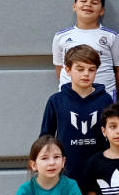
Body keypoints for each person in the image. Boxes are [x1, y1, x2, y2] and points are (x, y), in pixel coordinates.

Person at [41, 45, 114, 178]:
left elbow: (113, 136)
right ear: (68, 70)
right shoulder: (56, 101)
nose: (86, 74)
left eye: (91, 70)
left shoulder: (105, 100)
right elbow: (46, 137)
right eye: (80, 69)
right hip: (66, 173)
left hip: (100, 171)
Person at [52, 0, 119, 100]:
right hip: (70, 97)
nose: (88, 5)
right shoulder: (60, 37)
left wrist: (112, 95)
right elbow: (60, 67)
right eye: (83, 0)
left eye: (94, 2)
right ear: (74, 6)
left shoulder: (112, 37)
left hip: (103, 96)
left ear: (101, 11)